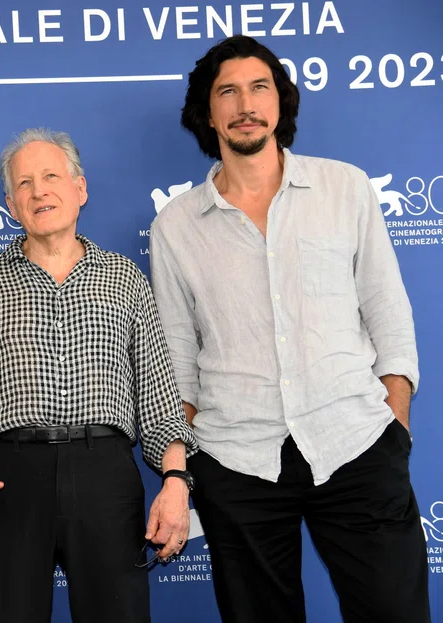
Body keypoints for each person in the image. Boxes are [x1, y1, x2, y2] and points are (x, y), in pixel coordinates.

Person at [149, 35, 430, 623]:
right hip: (237, 460)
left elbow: (388, 311)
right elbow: (175, 351)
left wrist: (395, 424)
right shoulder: (175, 227)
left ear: (280, 102)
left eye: (259, 87)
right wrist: (190, 460)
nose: (244, 103)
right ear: (207, 112)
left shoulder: (345, 188)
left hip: (355, 443)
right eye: (227, 91)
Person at [0, 128, 198, 623]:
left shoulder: (125, 278)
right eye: (24, 183)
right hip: (8, 480)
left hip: (106, 478)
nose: (38, 191)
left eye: (51, 176)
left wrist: (176, 480)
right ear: (11, 204)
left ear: (80, 189)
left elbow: (160, 396)